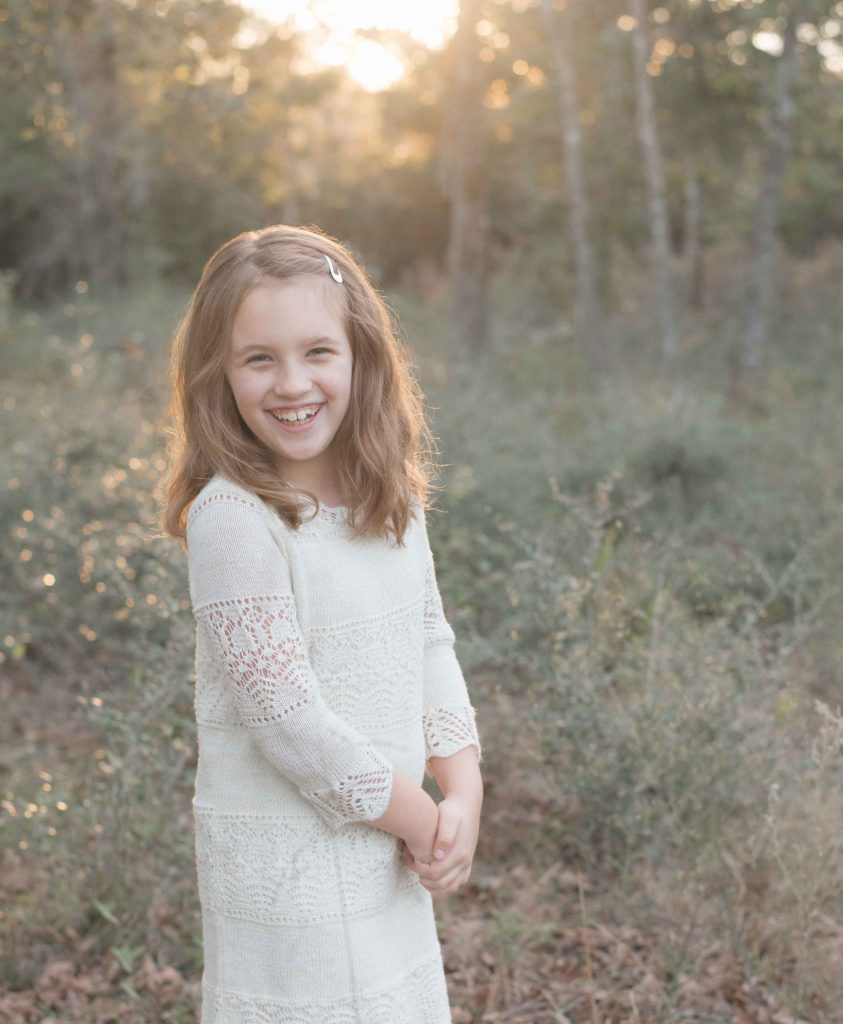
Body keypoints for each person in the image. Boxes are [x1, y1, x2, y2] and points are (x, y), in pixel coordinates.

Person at [160, 223, 484, 1023]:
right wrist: (422, 819)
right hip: (288, 867)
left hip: (386, 851)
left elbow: (428, 639)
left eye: (317, 352)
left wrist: (465, 793)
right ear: (218, 373)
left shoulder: (389, 500)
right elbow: (286, 720)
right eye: (257, 358)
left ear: (360, 356)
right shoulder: (234, 518)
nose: (290, 383)